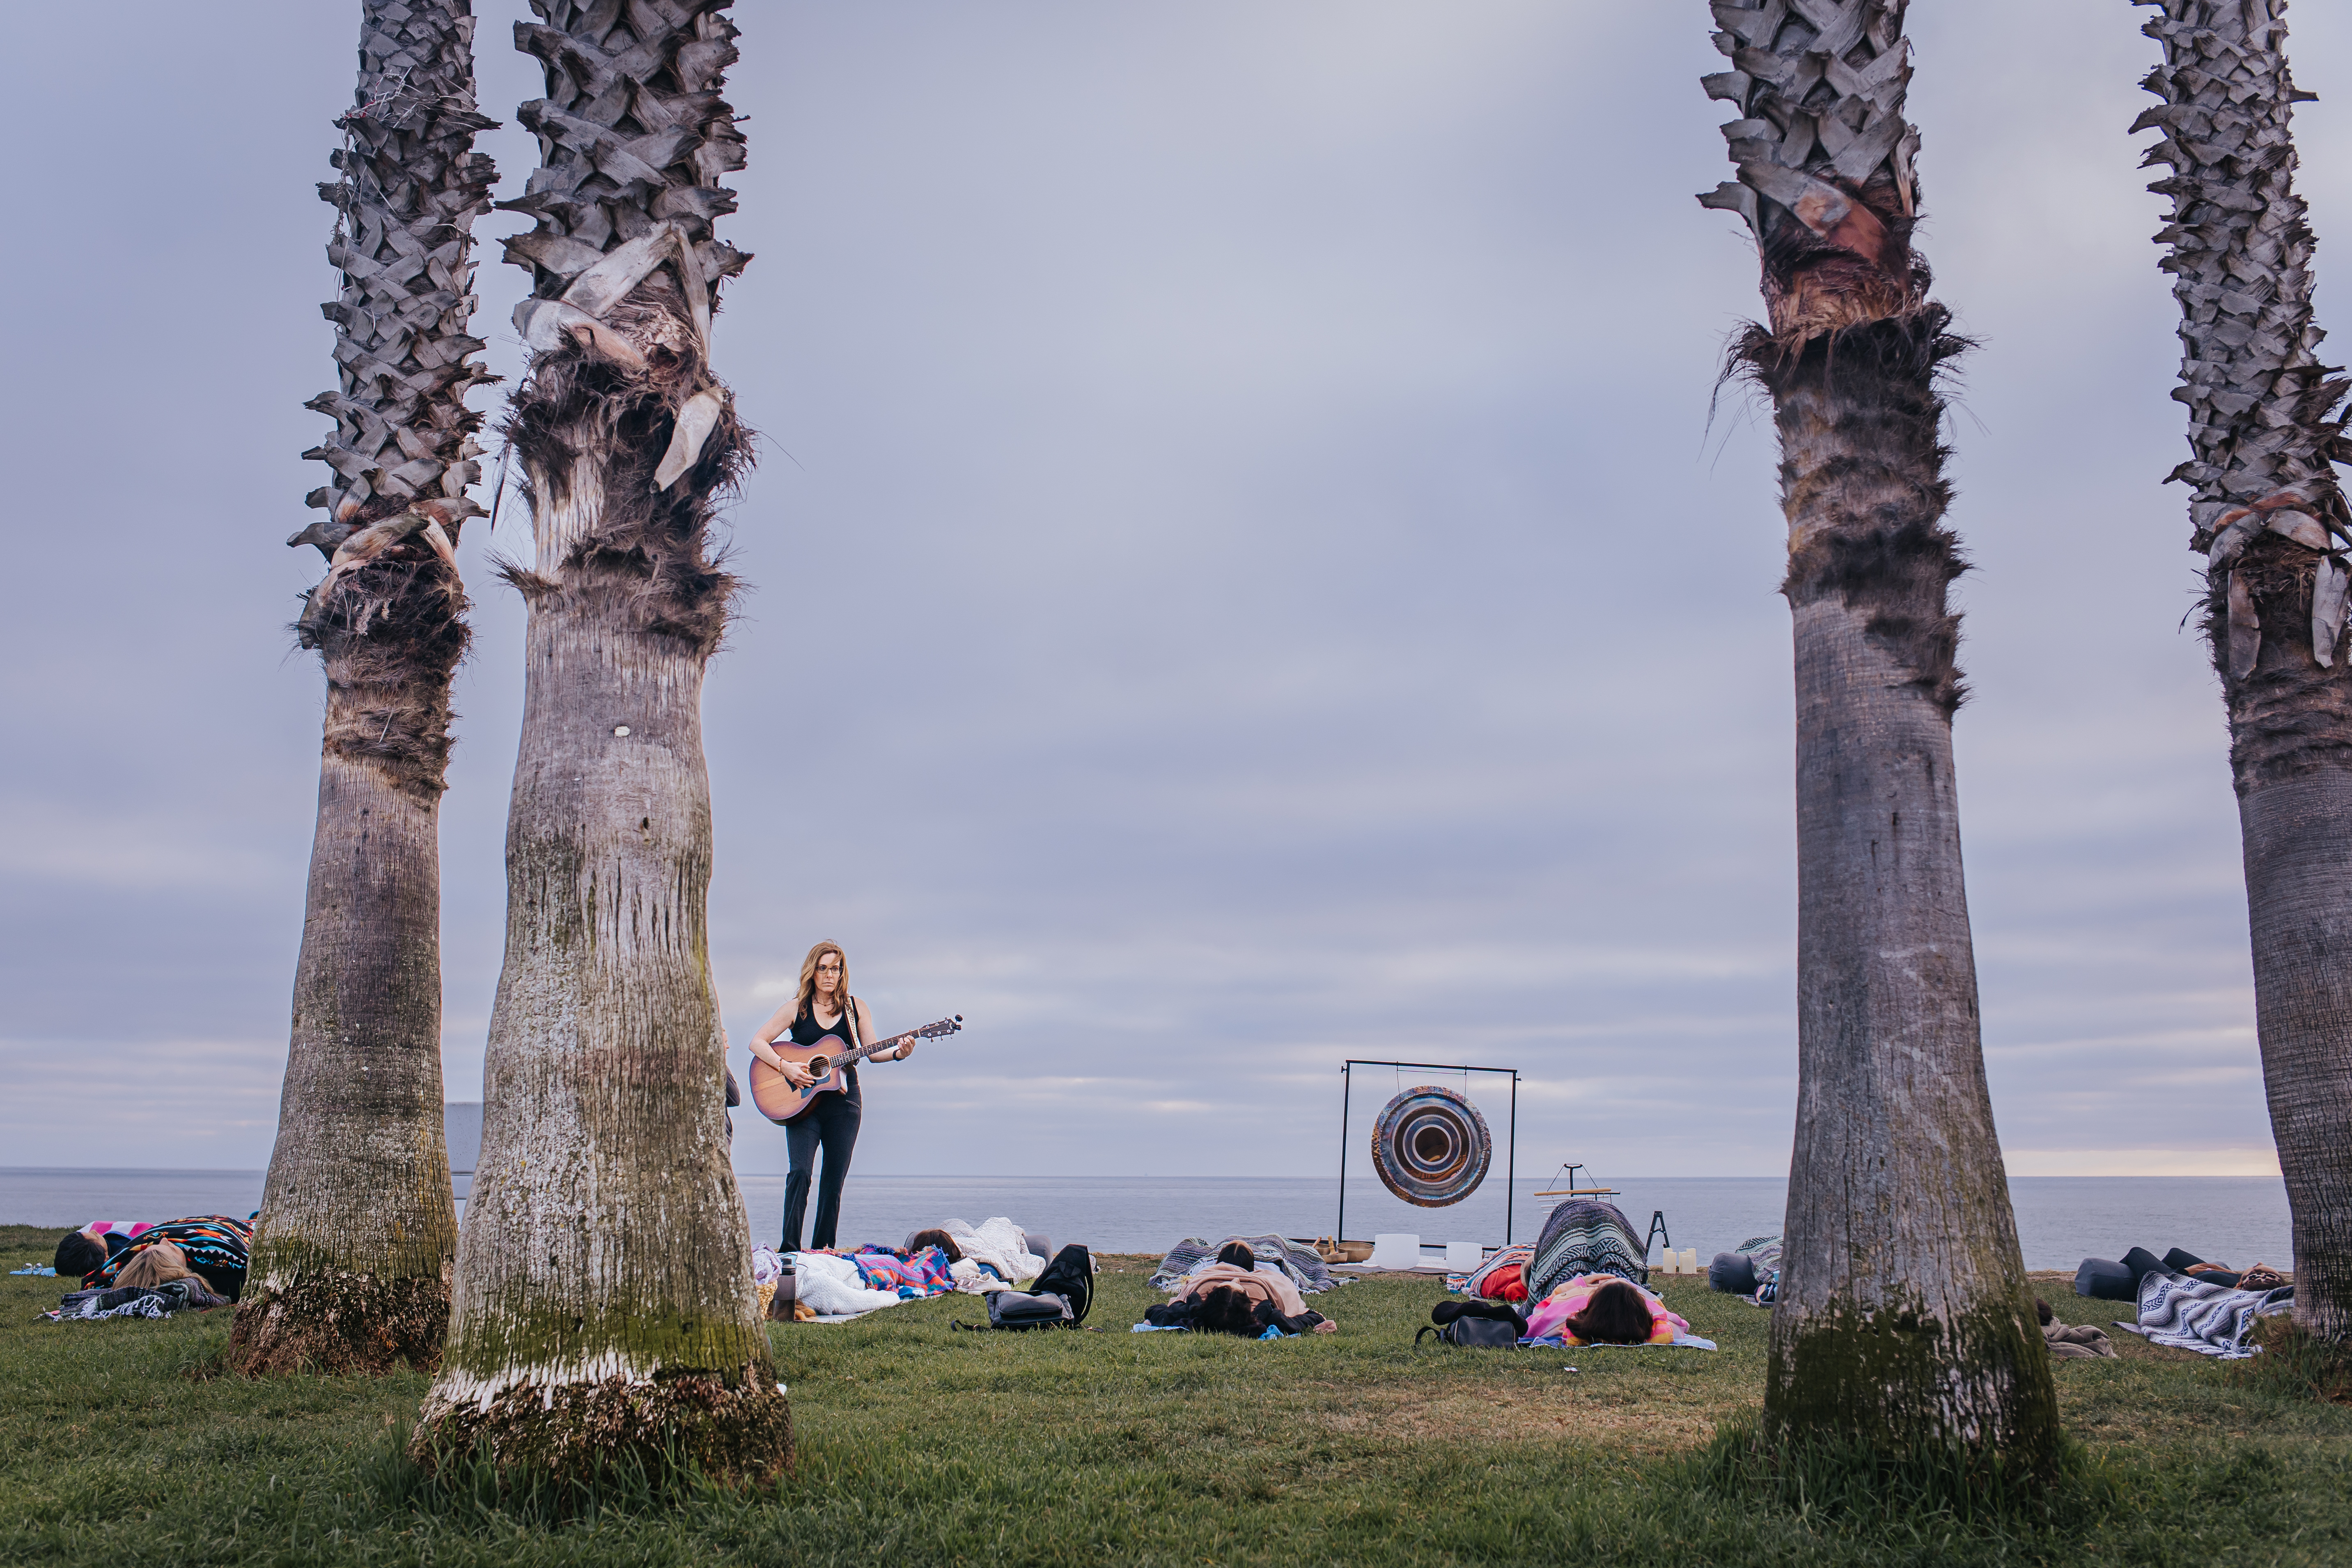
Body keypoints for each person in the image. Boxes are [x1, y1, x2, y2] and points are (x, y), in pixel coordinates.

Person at [747, 941, 918, 1252]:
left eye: (835, 968)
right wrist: (786, 1067)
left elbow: (873, 1052)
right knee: (800, 1172)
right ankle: (789, 1252)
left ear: (842, 972)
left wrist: (899, 1053)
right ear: (812, 971)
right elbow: (758, 1042)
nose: (829, 975)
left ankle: (822, 1253)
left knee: (833, 1182)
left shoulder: (855, 1008)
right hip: (802, 1103)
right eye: (823, 968)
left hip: (844, 1103)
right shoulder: (796, 1008)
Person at [1524, 1272, 1688, 1345]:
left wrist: (1578, 1284)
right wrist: (1626, 1285)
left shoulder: (1563, 1317)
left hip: (1578, 1292)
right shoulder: (1651, 1312)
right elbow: (1680, 1324)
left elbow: (1533, 1321)